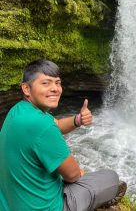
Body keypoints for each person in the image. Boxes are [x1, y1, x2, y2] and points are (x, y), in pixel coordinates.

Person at [0, 59, 126, 211]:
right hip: (48, 207)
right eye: (46, 83)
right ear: (26, 88)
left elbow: (57, 124)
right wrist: (78, 172)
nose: (55, 89)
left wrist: (78, 120)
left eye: (58, 83)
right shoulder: (41, 125)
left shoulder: (18, 111)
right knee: (110, 177)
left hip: (12, 204)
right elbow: (72, 175)